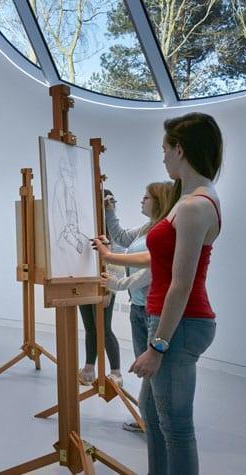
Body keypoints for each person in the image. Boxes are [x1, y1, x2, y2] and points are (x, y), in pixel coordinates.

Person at [95, 112, 222, 474]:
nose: (163, 157)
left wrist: (158, 346)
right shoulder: (188, 200)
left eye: (165, 149)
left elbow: (181, 284)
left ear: (180, 150)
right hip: (170, 321)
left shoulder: (196, 206)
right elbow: (160, 257)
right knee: (152, 415)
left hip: (179, 325)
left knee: (176, 427)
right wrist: (111, 255)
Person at [101, 180, 175, 432]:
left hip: (154, 311)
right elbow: (121, 237)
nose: (142, 200)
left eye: (147, 197)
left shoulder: (165, 231)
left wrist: (118, 283)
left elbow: (150, 269)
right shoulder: (146, 227)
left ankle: (156, 424)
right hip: (138, 308)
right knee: (144, 368)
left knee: (153, 369)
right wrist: (110, 212)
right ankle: (149, 421)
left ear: (159, 201)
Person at [77, 188, 124, 387]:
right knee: (90, 328)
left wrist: (109, 290)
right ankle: (89, 370)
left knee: (104, 329)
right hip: (85, 283)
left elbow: (119, 264)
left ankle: (116, 373)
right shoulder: (86, 227)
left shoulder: (114, 233)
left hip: (104, 285)